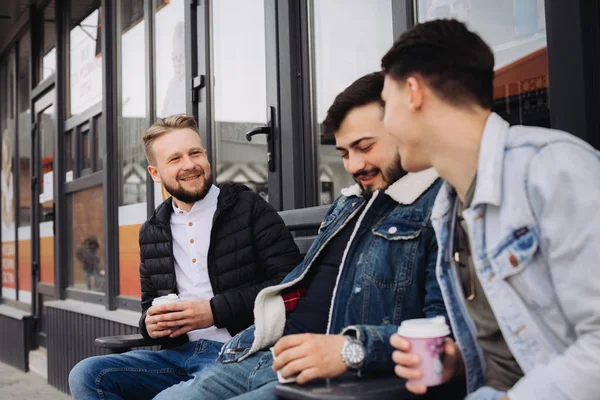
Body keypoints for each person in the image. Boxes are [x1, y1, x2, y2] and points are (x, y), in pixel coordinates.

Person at [173, 71, 448, 400]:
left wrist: (350, 350)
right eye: (344, 153)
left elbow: (442, 333)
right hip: (268, 352)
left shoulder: (436, 206)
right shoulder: (349, 204)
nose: (354, 165)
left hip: (338, 375)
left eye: (365, 146)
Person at [382, 18, 600, 400]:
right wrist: (461, 361)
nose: (386, 123)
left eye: (386, 103)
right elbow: (521, 344)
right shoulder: (448, 207)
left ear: (414, 92)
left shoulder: (552, 168)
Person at [69, 115, 302, 399]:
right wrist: (150, 324)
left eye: (195, 153)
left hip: (240, 352)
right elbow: (149, 306)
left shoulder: (248, 207)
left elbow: (291, 284)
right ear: (155, 173)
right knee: (88, 375)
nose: (189, 165)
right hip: (178, 356)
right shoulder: (152, 231)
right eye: (175, 159)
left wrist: (214, 311)